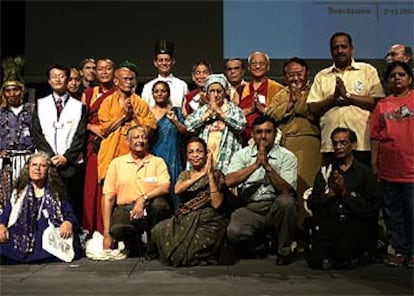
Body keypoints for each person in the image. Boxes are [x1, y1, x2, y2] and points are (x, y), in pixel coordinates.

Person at [225, 115, 297, 265]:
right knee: (233, 232)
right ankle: (259, 244)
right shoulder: (242, 154)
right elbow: (228, 181)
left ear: (275, 133)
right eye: (259, 132)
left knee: (287, 202)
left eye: (268, 132)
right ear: (252, 134)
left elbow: (287, 191)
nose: (263, 136)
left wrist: (267, 167)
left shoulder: (287, 156)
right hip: (251, 208)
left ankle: (284, 251)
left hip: (275, 206)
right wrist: (255, 165)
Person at [306, 128, 382, 270]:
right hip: (331, 223)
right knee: (314, 261)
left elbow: (372, 208)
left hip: (354, 223)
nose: (338, 147)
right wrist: (331, 195)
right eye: (335, 143)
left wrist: (345, 194)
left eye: (343, 143)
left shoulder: (364, 173)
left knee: (343, 255)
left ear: (353, 145)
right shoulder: (325, 171)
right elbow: (312, 202)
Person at [152, 137, 233, 266]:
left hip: (209, 219)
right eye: (191, 152)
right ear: (187, 156)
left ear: (206, 154)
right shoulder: (185, 174)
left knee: (182, 254)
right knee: (158, 230)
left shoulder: (217, 175)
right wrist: (202, 175)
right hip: (187, 218)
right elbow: (178, 189)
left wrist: (210, 175)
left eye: (199, 151)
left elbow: (216, 204)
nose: (195, 155)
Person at [307, 32, 385, 166]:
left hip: (360, 144)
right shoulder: (322, 75)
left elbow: (378, 102)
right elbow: (312, 108)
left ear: (351, 49)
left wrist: (348, 96)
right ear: (330, 51)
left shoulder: (367, 71)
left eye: (344, 47)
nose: (340, 51)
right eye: (335, 48)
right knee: (332, 185)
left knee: (361, 185)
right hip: (331, 146)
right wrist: (333, 98)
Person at [266, 57, 322, 234]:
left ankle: (307, 230)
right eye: (291, 75)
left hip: (309, 141)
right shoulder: (281, 94)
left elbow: (317, 112)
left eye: (299, 74)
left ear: (307, 73)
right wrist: (289, 103)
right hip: (286, 143)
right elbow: (270, 114)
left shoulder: (316, 90)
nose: (295, 78)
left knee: (307, 189)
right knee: (287, 189)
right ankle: (289, 233)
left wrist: (300, 102)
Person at [102, 125, 171, 258]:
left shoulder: (157, 162)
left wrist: (142, 199)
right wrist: (106, 234)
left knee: (160, 206)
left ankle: (153, 247)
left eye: (144, 137)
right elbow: (108, 197)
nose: (140, 140)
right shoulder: (117, 164)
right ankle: (136, 246)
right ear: (128, 141)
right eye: (136, 137)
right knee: (118, 229)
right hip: (125, 208)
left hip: (149, 205)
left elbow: (165, 187)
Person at [0, 151, 82, 264]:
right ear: (28, 168)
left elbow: (69, 213)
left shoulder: (56, 192)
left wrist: (68, 223)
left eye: (42, 166)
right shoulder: (18, 193)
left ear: (48, 170)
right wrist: (1, 226)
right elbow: (6, 215)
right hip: (22, 232)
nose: (37, 169)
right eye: (34, 165)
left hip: (48, 231)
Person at [370, 61, 414, 268]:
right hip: (389, 170)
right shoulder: (382, 105)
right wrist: (374, 163)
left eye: (401, 74)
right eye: (393, 76)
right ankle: (400, 250)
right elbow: (376, 137)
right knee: (393, 213)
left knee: (412, 212)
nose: (397, 78)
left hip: (411, 170)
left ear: (409, 78)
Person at [32, 63, 87, 223]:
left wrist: (66, 158)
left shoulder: (79, 107)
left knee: (71, 204)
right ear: (49, 81)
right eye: (54, 76)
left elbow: (80, 135)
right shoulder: (40, 104)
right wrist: (49, 156)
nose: (58, 79)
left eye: (61, 76)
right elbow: (37, 133)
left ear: (68, 80)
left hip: (71, 165)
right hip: (47, 163)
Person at [97, 62, 157, 183]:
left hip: (135, 156)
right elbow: (104, 131)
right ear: (116, 81)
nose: (129, 82)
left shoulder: (140, 103)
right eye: (125, 79)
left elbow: (150, 129)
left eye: (131, 79)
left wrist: (134, 116)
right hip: (111, 154)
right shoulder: (107, 102)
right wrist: (123, 117)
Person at [184, 74, 246, 174]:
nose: (216, 94)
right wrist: (207, 114)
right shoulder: (201, 110)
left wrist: (220, 113)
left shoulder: (234, 109)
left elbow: (241, 126)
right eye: (212, 91)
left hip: (226, 160)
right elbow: (188, 127)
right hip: (202, 161)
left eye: (219, 91)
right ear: (207, 93)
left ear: (225, 92)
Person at [81, 58, 116, 234]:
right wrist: (90, 126)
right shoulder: (88, 93)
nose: (103, 72)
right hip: (93, 145)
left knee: (108, 186)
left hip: (113, 144)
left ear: (113, 72)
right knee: (91, 188)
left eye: (107, 69)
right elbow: (80, 120)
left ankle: (108, 231)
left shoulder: (119, 93)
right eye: (100, 69)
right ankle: (89, 229)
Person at [0, 56, 35, 211]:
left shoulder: (33, 110)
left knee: (25, 196)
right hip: (5, 161)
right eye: (8, 90)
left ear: (22, 90)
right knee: (4, 197)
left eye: (15, 90)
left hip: (27, 158)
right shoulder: (0, 112)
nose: (12, 94)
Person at [150, 81, 188, 210]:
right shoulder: (148, 113)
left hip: (173, 156)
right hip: (154, 154)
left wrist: (175, 121)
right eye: (156, 91)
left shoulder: (175, 111)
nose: (160, 94)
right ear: (152, 94)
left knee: (174, 185)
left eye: (163, 91)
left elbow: (185, 133)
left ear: (168, 93)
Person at [238, 51, 284, 146]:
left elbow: (281, 115)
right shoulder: (241, 89)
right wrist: (250, 110)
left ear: (268, 66)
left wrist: (263, 110)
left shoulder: (277, 89)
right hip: (244, 139)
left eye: (261, 63)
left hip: (269, 139)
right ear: (249, 67)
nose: (257, 66)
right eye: (254, 63)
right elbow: (234, 113)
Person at [141, 40, 188, 109]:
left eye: (167, 60)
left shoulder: (182, 85)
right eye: (160, 60)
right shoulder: (148, 87)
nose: (164, 63)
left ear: (173, 62)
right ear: (155, 62)